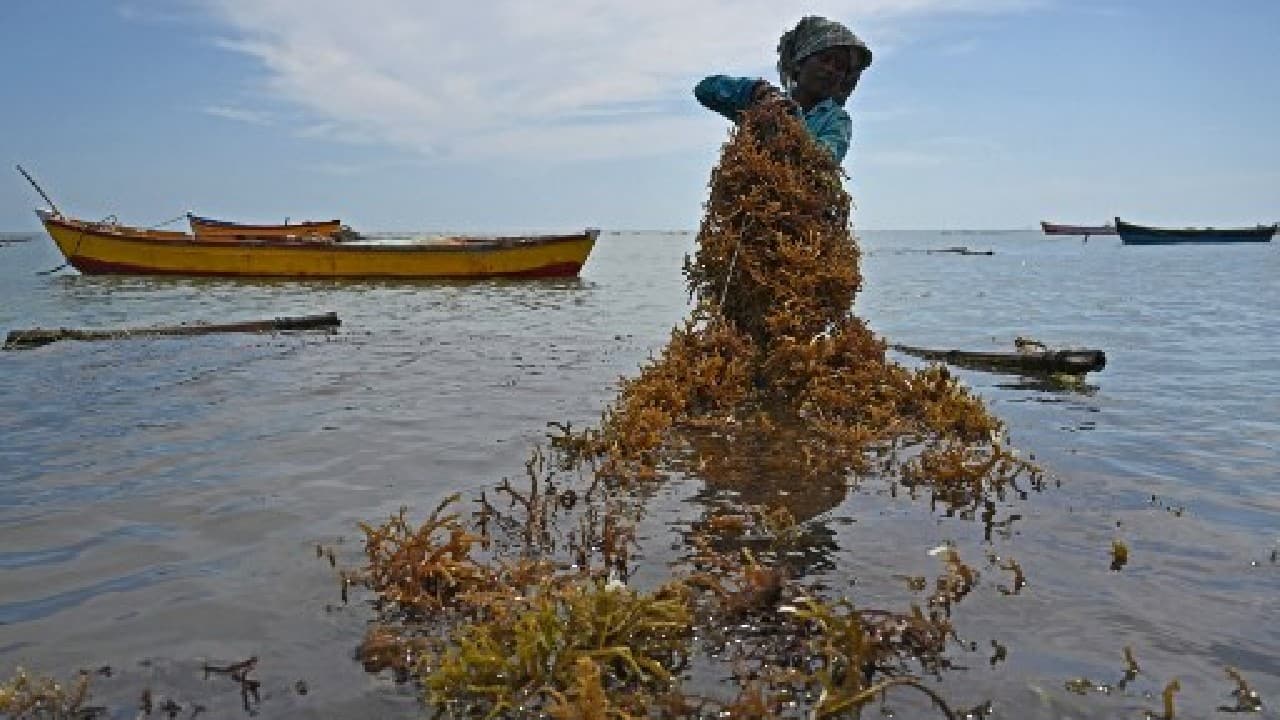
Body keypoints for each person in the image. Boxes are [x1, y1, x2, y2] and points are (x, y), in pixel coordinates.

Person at [694, 16, 872, 163]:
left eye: (840, 67)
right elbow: (704, 90)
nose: (830, 69)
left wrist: (791, 120)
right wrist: (755, 90)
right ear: (799, 64)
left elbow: (824, 160)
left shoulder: (836, 119)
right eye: (825, 59)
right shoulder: (766, 103)